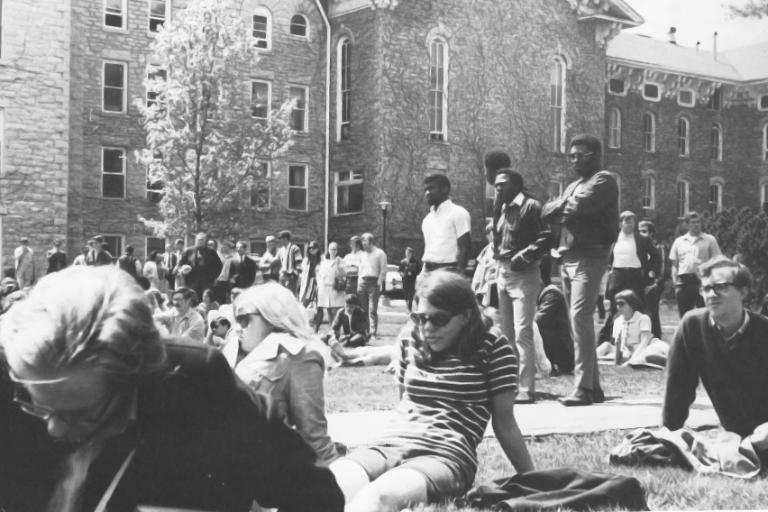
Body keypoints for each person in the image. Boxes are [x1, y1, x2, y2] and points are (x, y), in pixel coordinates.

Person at [0, 265, 344, 512]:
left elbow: (315, 496)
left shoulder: (197, 385)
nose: (54, 427)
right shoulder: (7, 383)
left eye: (79, 413)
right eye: (36, 404)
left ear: (139, 376)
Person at [330, 270, 534, 511]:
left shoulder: (493, 346)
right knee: (322, 486)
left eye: (439, 319)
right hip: (388, 445)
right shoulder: (410, 337)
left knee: (378, 497)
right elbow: (405, 400)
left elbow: (505, 422)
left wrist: (533, 480)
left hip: (445, 456)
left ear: (466, 316)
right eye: (420, 317)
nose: (427, 328)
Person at [662, 257, 768, 456]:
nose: (711, 294)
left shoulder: (764, 332)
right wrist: (670, 435)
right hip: (736, 438)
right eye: (706, 288)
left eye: (721, 286)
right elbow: (678, 387)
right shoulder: (692, 326)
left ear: (743, 292)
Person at [542, 134, 618, 406]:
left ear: (595, 156)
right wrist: (565, 208)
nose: (574, 160)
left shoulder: (604, 180)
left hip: (591, 254)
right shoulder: (575, 184)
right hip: (567, 256)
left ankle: (583, 389)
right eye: (571, 156)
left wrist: (562, 207)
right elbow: (546, 211)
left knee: (580, 317)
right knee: (578, 323)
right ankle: (594, 387)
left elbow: (579, 206)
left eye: (581, 155)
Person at [233, 283, 339, 465]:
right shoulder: (242, 352)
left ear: (272, 316)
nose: (237, 328)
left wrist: (339, 478)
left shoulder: (300, 356)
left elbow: (314, 436)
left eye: (244, 319)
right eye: (236, 319)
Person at [493, 168, 551, 404]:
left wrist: (525, 255)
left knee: (522, 331)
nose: (498, 188)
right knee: (506, 334)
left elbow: (547, 236)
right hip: (502, 272)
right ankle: (510, 384)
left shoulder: (532, 206)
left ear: (516, 185)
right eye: (496, 185)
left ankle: (526, 388)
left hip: (524, 274)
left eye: (503, 184)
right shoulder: (502, 207)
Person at [597, 211, 660, 343]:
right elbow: (603, 257)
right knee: (615, 310)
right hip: (617, 277)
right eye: (626, 221)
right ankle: (609, 341)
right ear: (620, 224)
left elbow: (656, 256)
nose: (630, 224)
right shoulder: (613, 240)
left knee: (638, 308)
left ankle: (643, 340)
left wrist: (649, 273)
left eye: (632, 221)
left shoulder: (642, 239)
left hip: (635, 277)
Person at [596, 289, 668, 367]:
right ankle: (593, 359)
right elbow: (619, 345)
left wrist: (632, 359)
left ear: (631, 304)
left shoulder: (642, 318)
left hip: (646, 346)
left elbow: (644, 341)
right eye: (617, 304)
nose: (618, 307)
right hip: (629, 350)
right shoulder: (617, 321)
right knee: (607, 345)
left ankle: (656, 360)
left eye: (621, 304)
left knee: (649, 352)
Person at [669, 211, 722, 318]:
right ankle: (687, 334)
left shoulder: (710, 240)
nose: (696, 225)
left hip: (702, 281)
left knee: (705, 314)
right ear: (687, 224)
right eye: (693, 222)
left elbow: (717, 261)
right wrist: (675, 282)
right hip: (683, 282)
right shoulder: (679, 241)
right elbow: (675, 264)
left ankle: (705, 334)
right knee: (684, 316)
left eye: (698, 222)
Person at [421, 173, 471, 274]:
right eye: (425, 190)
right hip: (427, 271)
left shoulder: (458, 213)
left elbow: (465, 249)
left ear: (445, 189)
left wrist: (458, 276)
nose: (427, 193)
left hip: (448, 271)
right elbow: (429, 250)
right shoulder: (427, 219)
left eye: (431, 188)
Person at [637, 220, 668, 339]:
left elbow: (663, 268)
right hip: (639, 284)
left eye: (644, 231)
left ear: (651, 234)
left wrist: (655, 282)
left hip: (653, 285)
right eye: (640, 231)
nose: (642, 234)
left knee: (652, 312)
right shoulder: (638, 247)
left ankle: (655, 336)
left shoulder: (658, 247)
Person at [535, 284, 574, 374]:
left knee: (534, 328)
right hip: (562, 350)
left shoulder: (552, 294)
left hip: (565, 354)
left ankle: (546, 365)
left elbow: (540, 319)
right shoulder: (548, 294)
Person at [357, 232, 388, 337]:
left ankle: (373, 332)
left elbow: (383, 269)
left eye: (365, 243)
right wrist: (359, 283)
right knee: (363, 310)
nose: (363, 246)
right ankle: (365, 332)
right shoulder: (362, 255)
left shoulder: (380, 253)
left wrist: (379, 283)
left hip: (373, 283)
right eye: (362, 244)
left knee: (372, 309)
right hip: (363, 282)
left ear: (371, 242)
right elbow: (360, 270)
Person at [176, 232, 223, 299]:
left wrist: (213, 277)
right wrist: (182, 271)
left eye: (201, 240)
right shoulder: (189, 251)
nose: (199, 242)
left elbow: (219, 266)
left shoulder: (211, 252)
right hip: (191, 283)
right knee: (192, 301)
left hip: (206, 284)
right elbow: (180, 265)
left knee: (205, 301)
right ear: (196, 240)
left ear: (205, 241)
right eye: (198, 240)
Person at [315, 241, 346, 333]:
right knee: (328, 310)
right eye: (331, 249)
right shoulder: (323, 262)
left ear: (337, 250)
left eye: (334, 249)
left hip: (335, 289)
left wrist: (338, 265)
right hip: (325, 289)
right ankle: (331, 330)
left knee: (336, 311)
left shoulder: (341, 261)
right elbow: (319, 275)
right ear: (328, 250)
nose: (333, 251)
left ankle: (337, 331)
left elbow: (343, 274)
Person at [278, 230, 302, 295]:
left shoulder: (295, 248)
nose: (279, 240)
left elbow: (299, 263)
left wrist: (294, 275)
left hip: (291, 276)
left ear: (285, 239)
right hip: (282, 276)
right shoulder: (281, 250)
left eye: (281, 238)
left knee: (290, 296)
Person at [299, 240, 322, 309]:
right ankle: (303, 315)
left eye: (313, 248)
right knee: (305, 300)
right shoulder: (306, 260)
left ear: (317, 249)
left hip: (318, 282)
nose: (311, 249)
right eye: (310, 248)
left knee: (319, 302)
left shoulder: (322, 259)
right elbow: (302, 271)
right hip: (308, 282)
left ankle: (318, 319)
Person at [212, 240, 236, 304]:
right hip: (218, 281)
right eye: (224, 246)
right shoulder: (218, 255)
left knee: (229, 300)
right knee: (219, 299)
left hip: (228, 282)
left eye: (227, 247)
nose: (225, 248)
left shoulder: (233, 257)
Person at [398, 247, 421, 311]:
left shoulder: (416, 261)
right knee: (406, 294)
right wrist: (401, 274)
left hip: (412, 280)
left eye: (408, 253)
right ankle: (407, 305)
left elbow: (419, 270)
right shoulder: (403, 261)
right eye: (406, 252)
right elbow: (399, 270)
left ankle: (409, 308)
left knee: (411, 294)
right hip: (405, 280)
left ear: (411, 253)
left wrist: (414, 273)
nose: (407, 254)